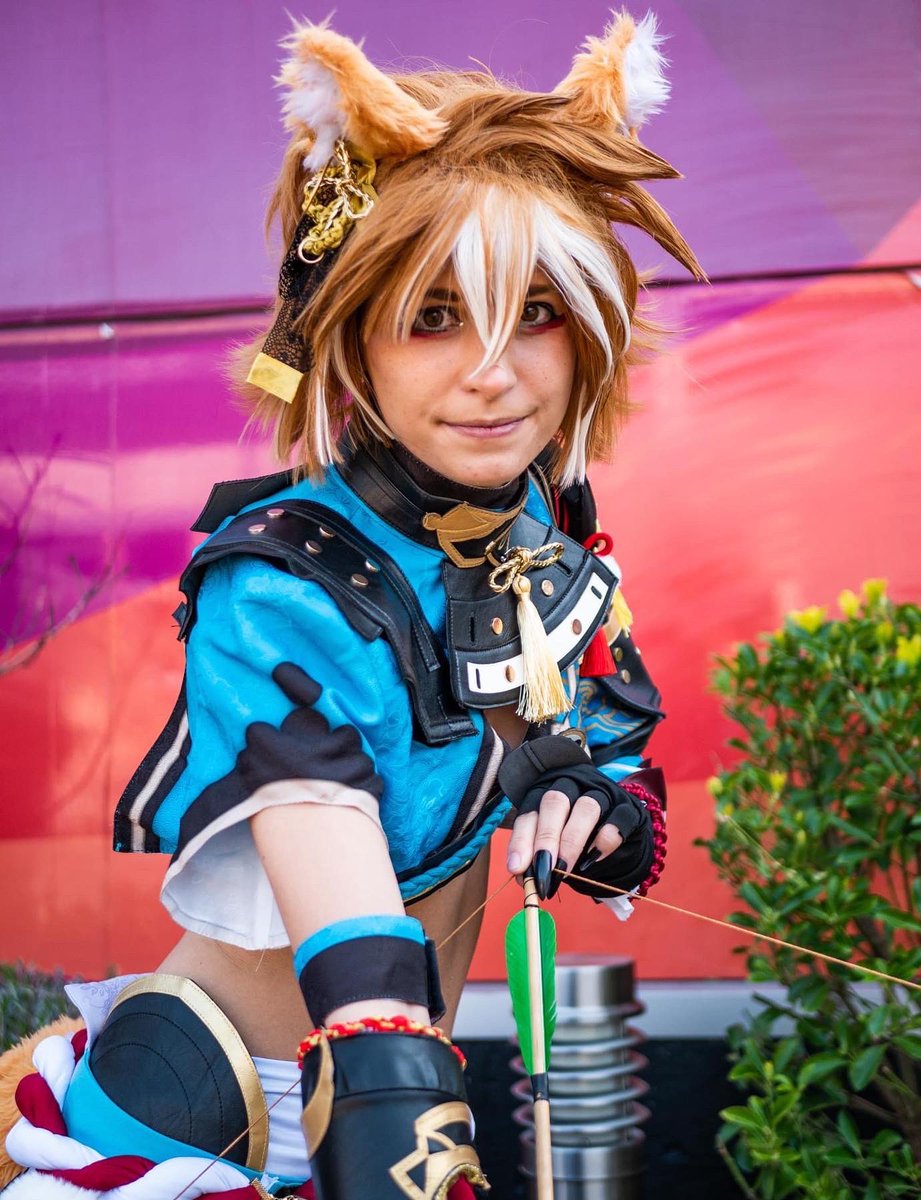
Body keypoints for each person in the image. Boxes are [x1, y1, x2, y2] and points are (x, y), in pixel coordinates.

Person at [0, 11, 701, 1199]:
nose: (493, 372)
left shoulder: (551, 545)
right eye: (434, 317)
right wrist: (403, 1127)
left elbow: (614, 762)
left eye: (536, 312)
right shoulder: (281, 579)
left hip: (399, 1089)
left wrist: (592, 809)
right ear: (352, 343)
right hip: (213, 1117)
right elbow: (354, 939)